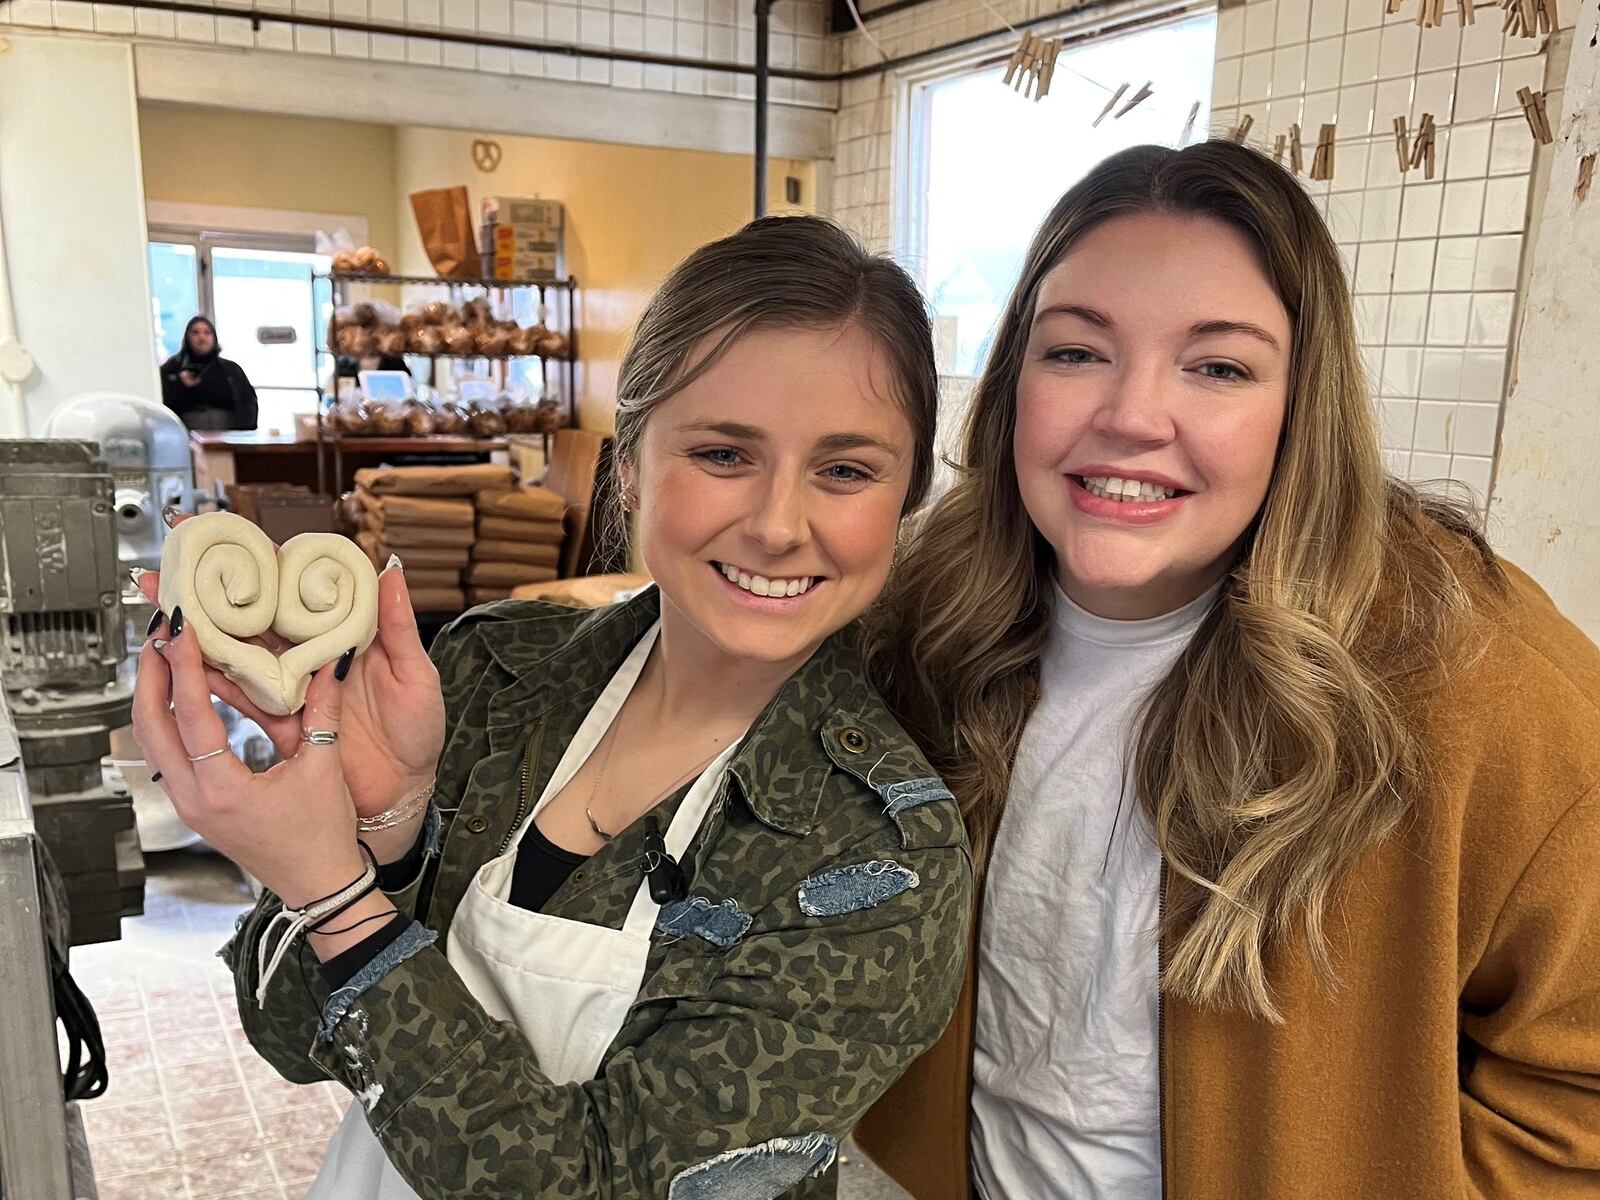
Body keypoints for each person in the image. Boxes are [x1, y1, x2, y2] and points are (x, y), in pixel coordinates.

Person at [131, 215, 973, 1198]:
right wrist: (383, 838)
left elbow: (590, 1185)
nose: (779, 525)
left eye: (844, 469)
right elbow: (285, 1035)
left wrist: (339, 897)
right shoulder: (499, 671)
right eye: (722, 454)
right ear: (629, 468)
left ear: (904, 495)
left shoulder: (875, 857)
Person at [855, 141, 1600, 1199]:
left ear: (1301, 405)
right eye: (1076, 352)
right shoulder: (927, 617)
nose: (1129, 416)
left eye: (1217, 366)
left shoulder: (1474, 674)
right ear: (1016, 374)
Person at [159, 315, 259, 431]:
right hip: (186, 434)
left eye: (207, 333)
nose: (201, 337)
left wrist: (243, 432)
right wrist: (180, 384)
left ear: (214, 338)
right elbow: (162, 402)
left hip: (227, 435)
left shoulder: (230, 369)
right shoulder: (173, 368)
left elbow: (248, 401)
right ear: (187, 337)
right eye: (195, 333)